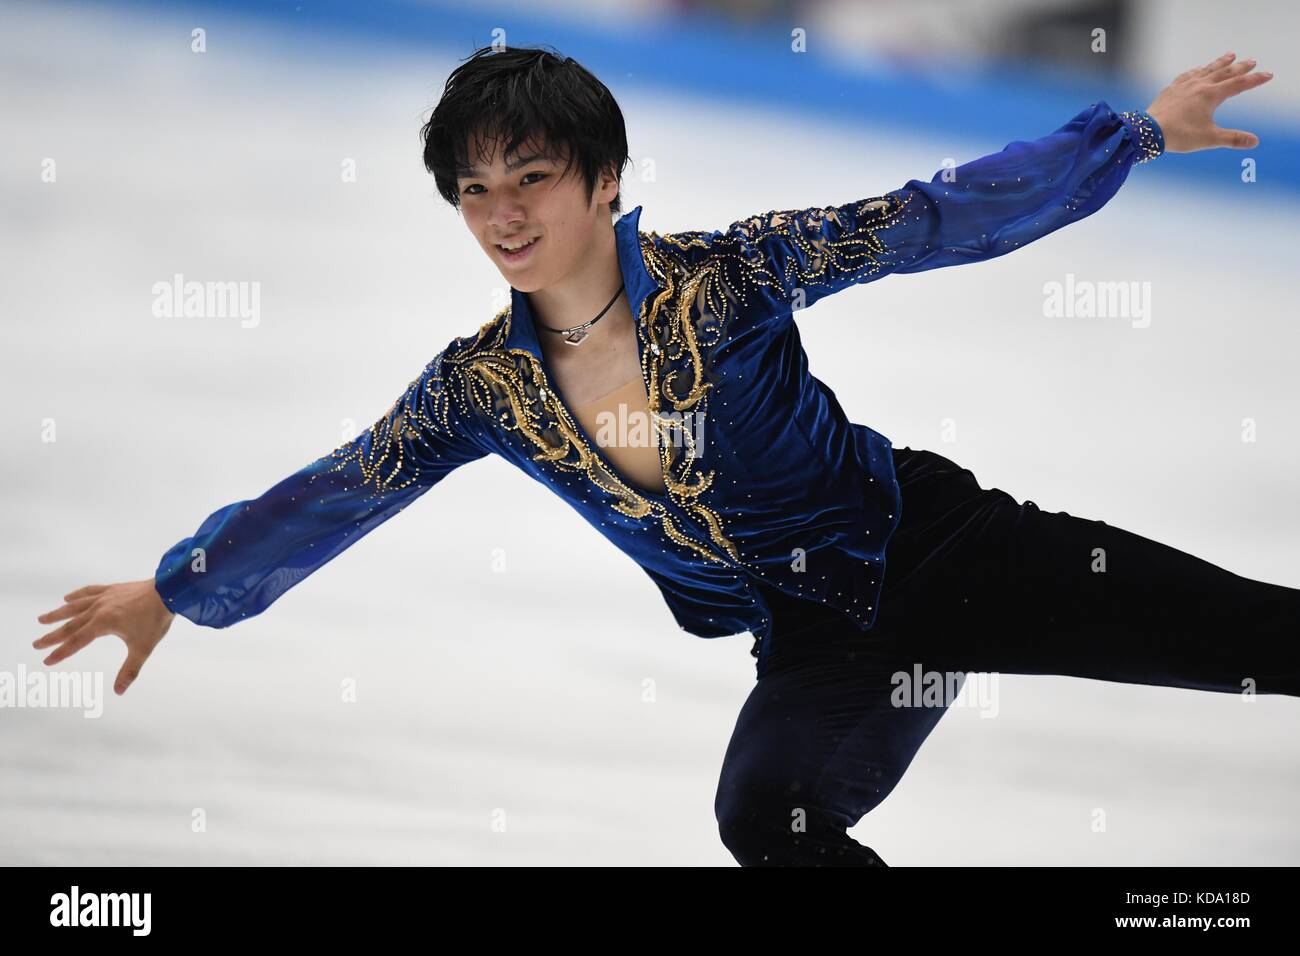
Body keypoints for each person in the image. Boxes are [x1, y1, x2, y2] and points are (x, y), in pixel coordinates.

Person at [36, 46, 1290, 866]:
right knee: (768, 817)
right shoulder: (480, 388)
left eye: (530, 177)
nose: (504, 214)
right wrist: (179, 587)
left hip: (947, 548)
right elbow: (345, 485)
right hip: (820, 638)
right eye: (474, 192)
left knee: (1265, 641)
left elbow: (934, 214)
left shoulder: (728, 278)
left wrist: (1131, 133)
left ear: (604, 181)